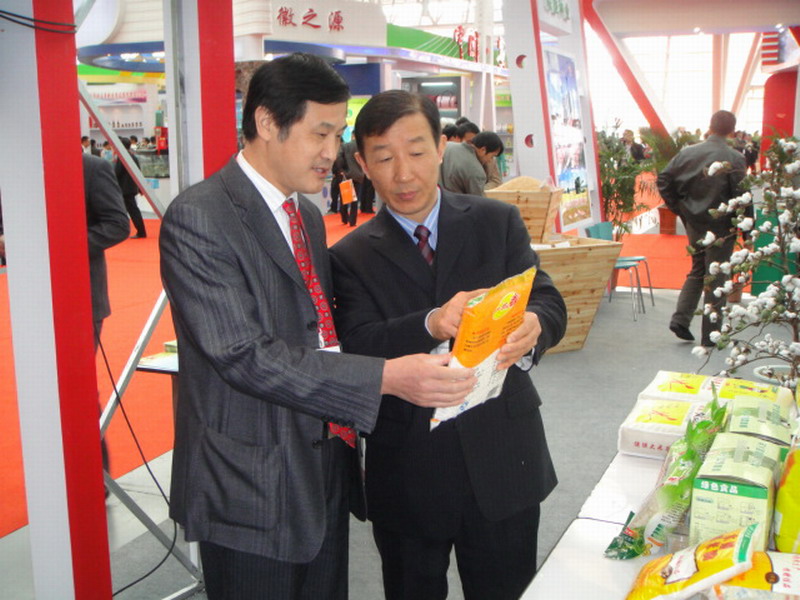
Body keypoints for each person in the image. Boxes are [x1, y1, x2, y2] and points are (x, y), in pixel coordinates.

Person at [159, 53, 475, 600]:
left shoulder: (303, 214)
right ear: (266, 123)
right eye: (320, 133)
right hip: (252, 480)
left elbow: (320, 331)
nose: (333, 152)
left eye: (338, 134)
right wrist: (385, 378)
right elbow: (243, 354)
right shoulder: (201, 217)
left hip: (325, 460)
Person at [330, 90, 567, 600]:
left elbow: (547, 299)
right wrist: (431, 322)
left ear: (440, 148)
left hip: (503, 455)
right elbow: (358, 343)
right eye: (384, 158)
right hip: (409, 467)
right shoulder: (350, 256)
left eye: (416, 152)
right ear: (363, 165)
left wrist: (535, 325)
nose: (403, 174)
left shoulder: (495, 221)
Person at [658, 110, 746, 347]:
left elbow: (663, 179)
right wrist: (747, 228)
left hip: (694, 222)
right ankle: (711, 335)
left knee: (698, 269)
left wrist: (679, 208)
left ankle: (681, 319)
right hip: (722, 226)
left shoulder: (687, 152)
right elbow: (741, 194)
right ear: (732, 130)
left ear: (710, 125)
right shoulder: (735, 157)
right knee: (716, 276)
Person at [440, 130, 504, 197]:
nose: (490, 161)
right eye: (492, 156)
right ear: (483, 150)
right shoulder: (476, 171)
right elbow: (477, 200)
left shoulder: (448, 145)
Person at [115, 137, 147, 238]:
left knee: (131, 210)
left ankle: (140, 231)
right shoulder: (133, 156)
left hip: (125, 188)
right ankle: (140, 231)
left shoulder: (122, 157)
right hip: (130, 187)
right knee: (132, 210)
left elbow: (117, 172)